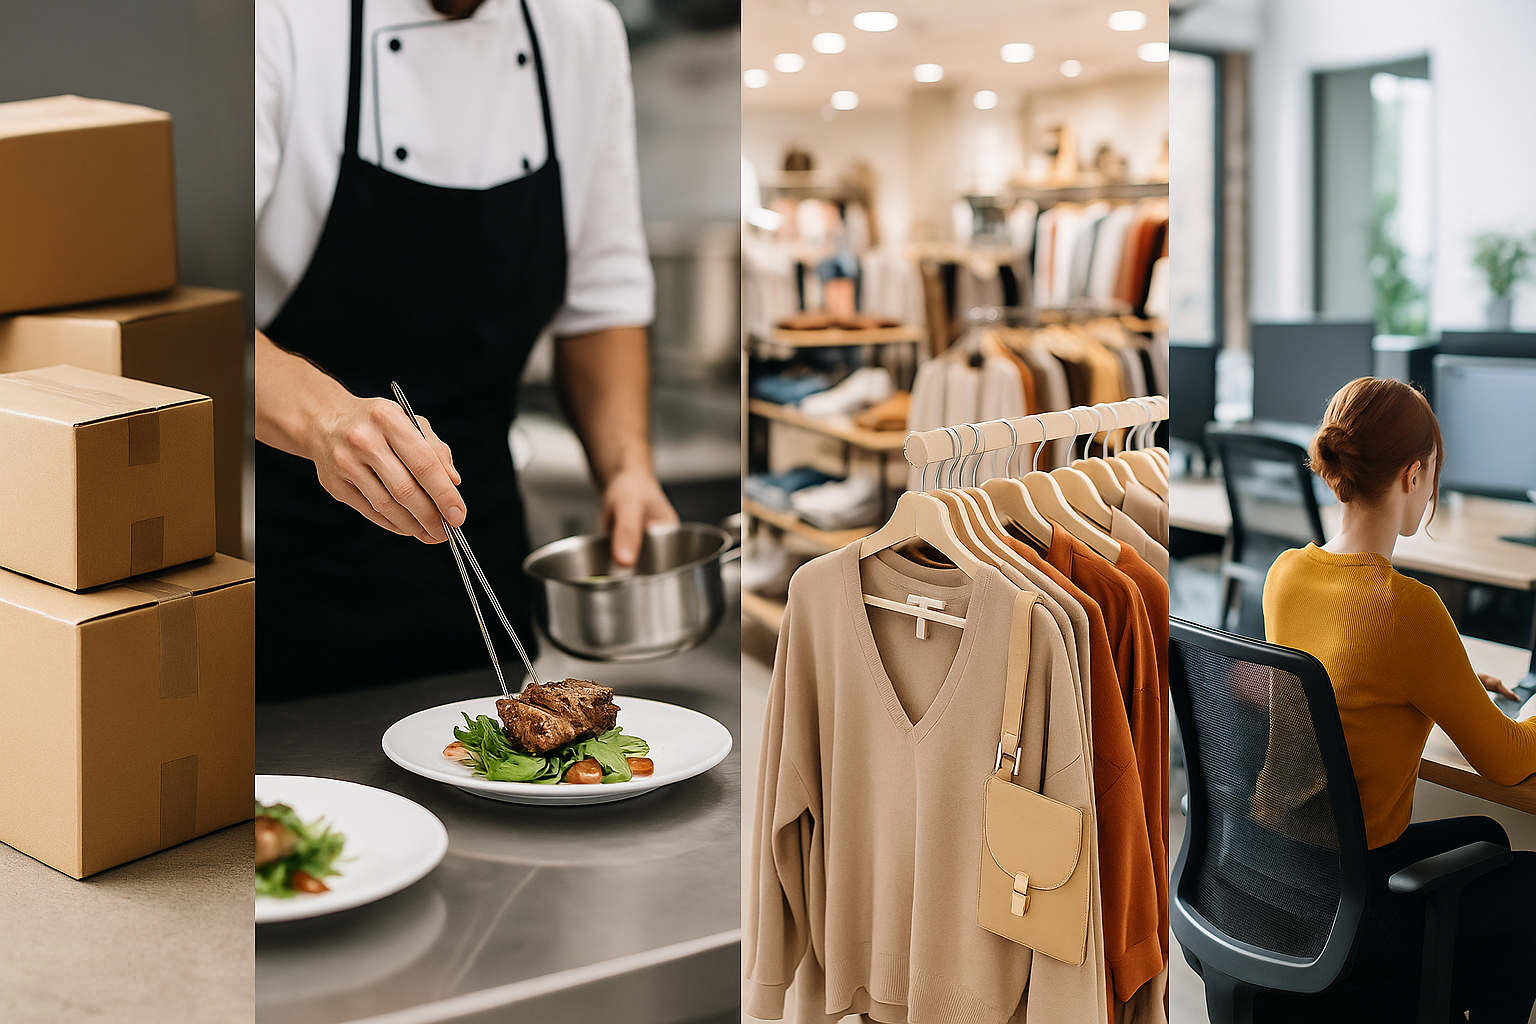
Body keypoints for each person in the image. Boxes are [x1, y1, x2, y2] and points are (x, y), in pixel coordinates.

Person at [254, 0, 676, 699]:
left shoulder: (581, 27)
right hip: (282, 558)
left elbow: (602, 301)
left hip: (479, 550)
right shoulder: (279, 18)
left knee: (498, 749)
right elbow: (193, 312)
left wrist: (627, 468)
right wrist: (326, 418)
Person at [1260, 377, 1536, 1022]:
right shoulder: (1406, 609)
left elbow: (1351, 671)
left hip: (1268, 873)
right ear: (1414, 474)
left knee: (1487, 839)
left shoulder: (1286, 574)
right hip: (1351, 907)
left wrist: (1450, 679)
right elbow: (1506, 759)